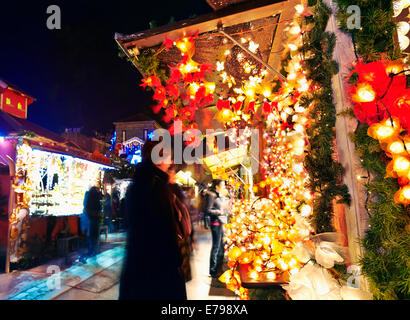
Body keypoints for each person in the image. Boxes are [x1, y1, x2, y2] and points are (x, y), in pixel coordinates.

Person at [119, 140, 187, 300]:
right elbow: (159, 230)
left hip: (144, 266)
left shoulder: (147, 182)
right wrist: (174, 258)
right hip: (154, 268)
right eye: (169, 156)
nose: (171, 161)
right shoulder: (153, 186)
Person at [168, 164, 193, 283]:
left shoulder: (174, 189)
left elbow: (184, 211)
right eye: (171, 172)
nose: (173, 174)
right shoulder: (167, 190)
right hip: (178, 234)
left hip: (181, 233)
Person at [205, 179, 228, 278]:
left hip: (222, 222)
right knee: (216, 247)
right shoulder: (212, 195)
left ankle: (218, 268)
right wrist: (220, 212)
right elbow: (208, 210)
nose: (224, 187)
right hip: (216, 223)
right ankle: (213, 270)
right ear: (217, 186)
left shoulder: (220, 196)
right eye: (222, 185)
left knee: (221, 247)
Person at [83, 185, 103, 258]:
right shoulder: (97, 197)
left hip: (91, 218)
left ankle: (91, 250)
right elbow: (99, 207)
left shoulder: (89, 196)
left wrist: (88, 215)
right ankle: (95, 250)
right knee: (95, 235)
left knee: (91, 235)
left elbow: (86, 206)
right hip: (96, 218)